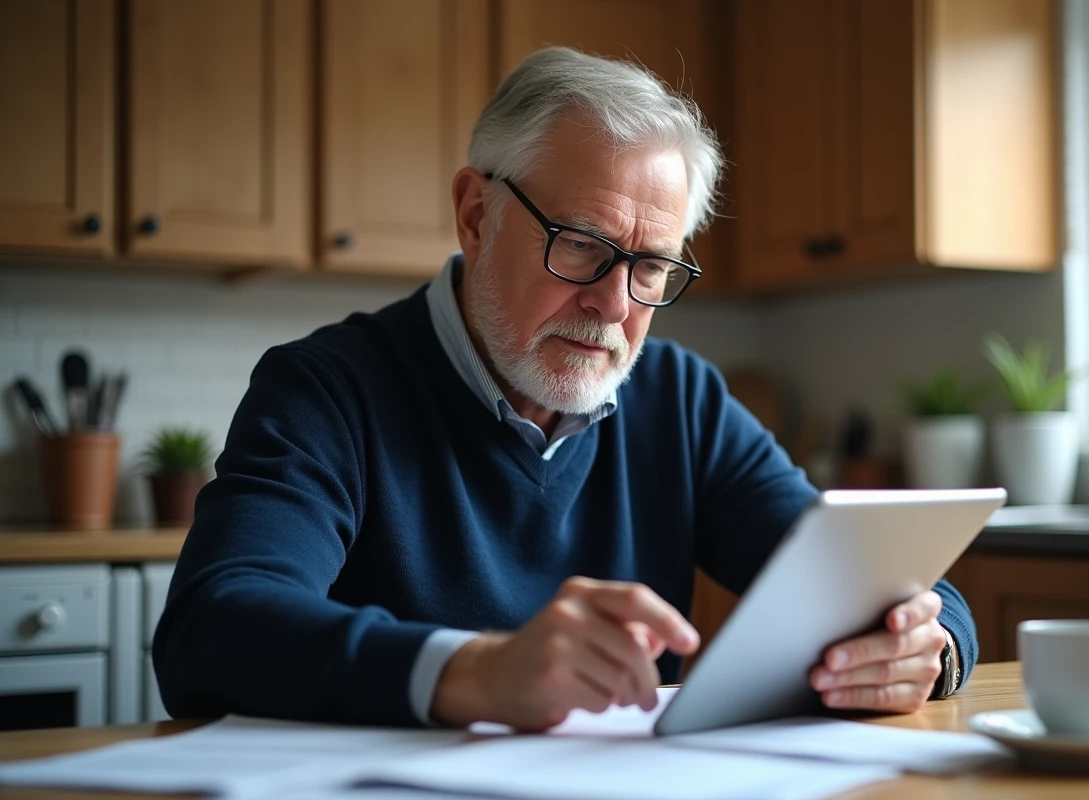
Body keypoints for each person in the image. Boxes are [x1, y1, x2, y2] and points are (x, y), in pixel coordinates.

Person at [154, 46, 975, 731]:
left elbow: (877, 582)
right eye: (581, 245)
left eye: (650, 267)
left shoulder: (682, 401)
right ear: (476, 215)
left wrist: (926, 647)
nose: (614, 306)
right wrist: (474, 671)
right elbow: (210, 629)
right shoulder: (327, 390)